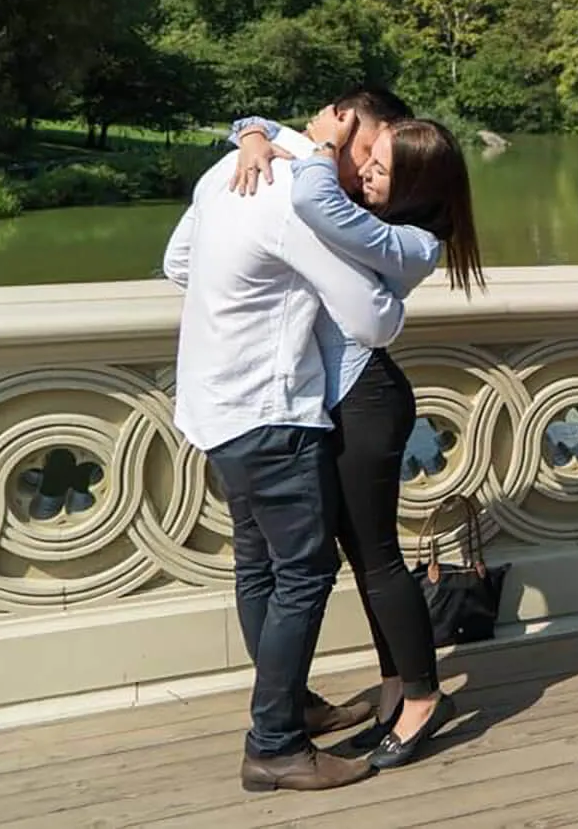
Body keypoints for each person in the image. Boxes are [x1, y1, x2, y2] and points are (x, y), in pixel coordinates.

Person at [161, 103, 407, 793]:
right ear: (347, 127)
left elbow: (177, 259)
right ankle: (274, 741)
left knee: (259, 563)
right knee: (303, 570)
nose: (369, 174)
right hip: (270, 410)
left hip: (211, 403)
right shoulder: (301, 192)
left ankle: (288, 699)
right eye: (372, 153)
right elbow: (373, 319)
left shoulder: (228, 169)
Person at [229, 109, 484, 770]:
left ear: (417, 187)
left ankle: (425, 697)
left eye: (380, 167)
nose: (362, 170)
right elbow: (258, 125)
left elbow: (312, 193)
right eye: (366, 158)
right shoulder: (373, 214)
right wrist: (253, 134)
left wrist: (322, 144)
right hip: (337, 401)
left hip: (367, 402)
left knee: (378, 558)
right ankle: (398, 685)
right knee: (360, 555)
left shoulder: (408, 242)